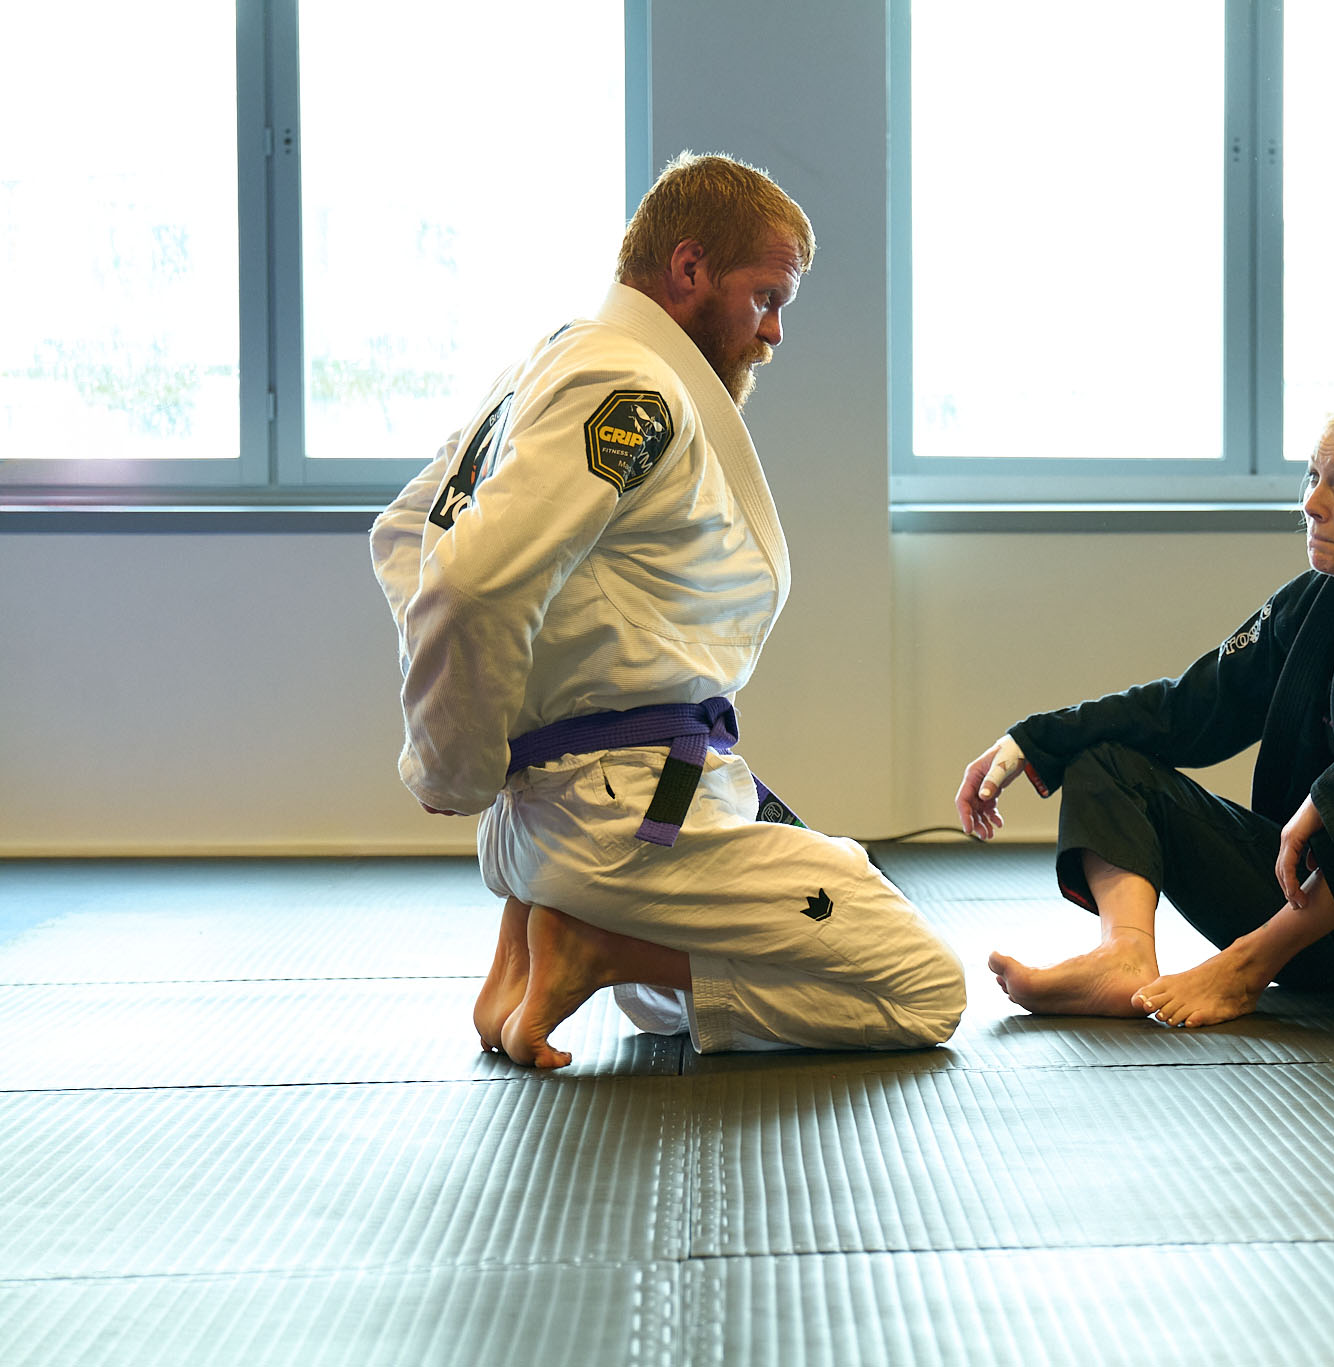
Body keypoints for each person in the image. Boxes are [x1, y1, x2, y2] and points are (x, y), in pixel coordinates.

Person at [372, 152, 965, 1066]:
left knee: (753, 952)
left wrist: (501, 734)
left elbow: (409, 531)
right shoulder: (631, 387)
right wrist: (454, 765)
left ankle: (537, 933)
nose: (774, 333)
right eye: (766, 298)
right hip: (618, 811)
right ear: (689, 269)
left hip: (589, 807)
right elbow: (469, 582)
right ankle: (596, 947)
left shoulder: (554, 359)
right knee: (923, 985)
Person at [956, 392, 1334, 1028]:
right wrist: (1034, 740)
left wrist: (1329, 801)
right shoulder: (1310, 606)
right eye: (1314, 477)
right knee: (1106, 756)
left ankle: (1245, 965)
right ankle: (1123, 952)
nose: (1312, 503)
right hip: (1321, 921)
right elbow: (1187, 710)